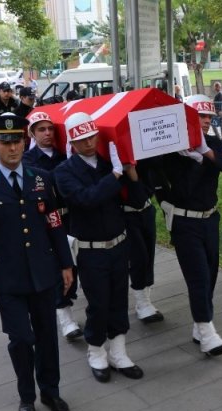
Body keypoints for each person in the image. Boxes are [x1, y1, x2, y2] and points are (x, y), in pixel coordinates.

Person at [0, 113, 74, 411]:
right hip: (8, 278)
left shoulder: (41, 178)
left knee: (47, 336)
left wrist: (66, 263)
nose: (13, 148)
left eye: (17, 142)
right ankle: (26, 395)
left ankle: (50, 392)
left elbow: (54, 223)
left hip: (43, 272)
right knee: (22, 339)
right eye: (6, 142)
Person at [54, 112, 145, 383]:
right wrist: (116, 174)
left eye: (92, 136)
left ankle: (118, 351)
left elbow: (138, 201)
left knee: (119, 299)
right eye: (82, 138)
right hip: (89, 249)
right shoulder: (64, 171)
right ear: (72, 141)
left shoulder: (108, 164)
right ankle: (96, 351)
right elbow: (87, 199)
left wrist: (131, 172)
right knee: (98, 302)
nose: (89, 143)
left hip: (118, 243)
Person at [147, 94, 222, 355]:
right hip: (184, 220)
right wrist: (163, 202)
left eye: (209, 116)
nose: (206, 121)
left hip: (209, 218)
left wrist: (206, 152)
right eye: (200, 116)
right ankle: (207, 332)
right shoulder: (170, 144)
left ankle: (200, 327)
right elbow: (152, 171)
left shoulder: (212, 143)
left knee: (209, 275)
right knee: (197, 275)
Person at [22, 112, 84, 340]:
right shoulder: (28, 160)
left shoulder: (62, 154)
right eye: (41, 129)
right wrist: (67, 167)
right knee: (59, 267)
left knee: (76, 265)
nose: (47, 133)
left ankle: (71, 303)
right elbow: (42, 183)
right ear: (32, 133)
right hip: (49, 220)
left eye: (50, 129)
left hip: (72, 217)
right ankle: (65, 317)